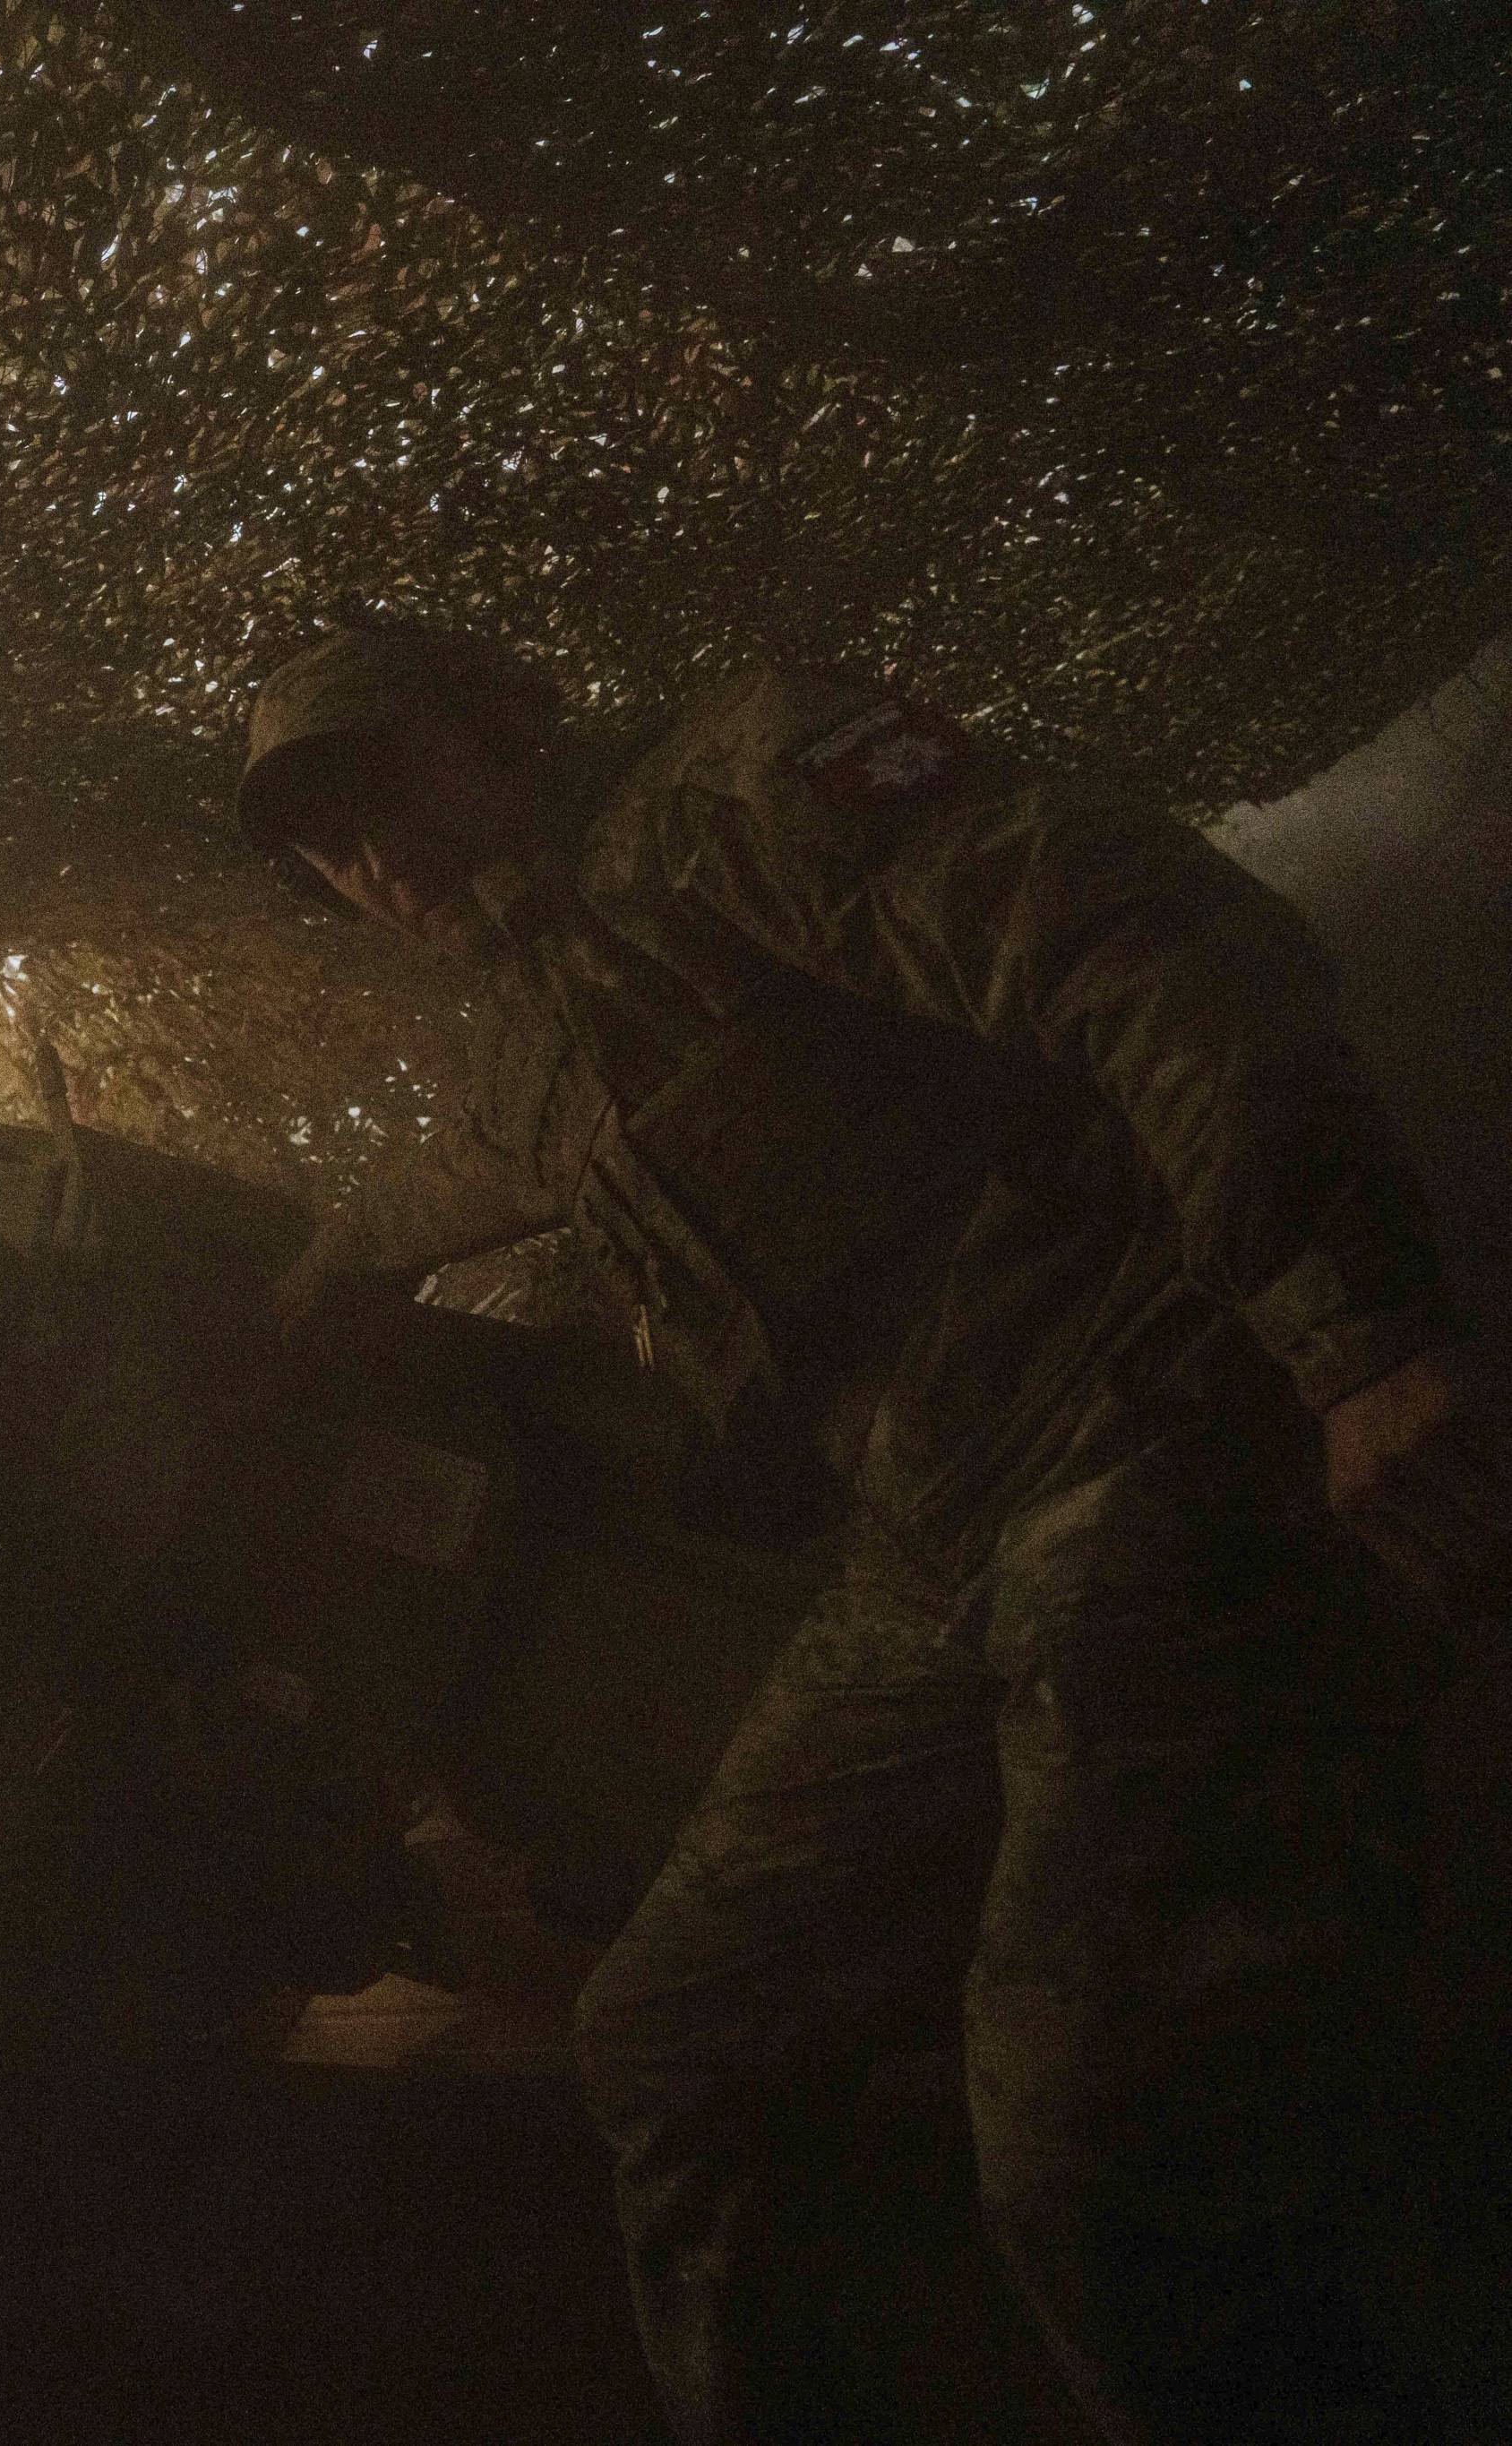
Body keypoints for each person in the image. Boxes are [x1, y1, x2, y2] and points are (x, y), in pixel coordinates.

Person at [243, 625, 1508, 2442]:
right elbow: (483, 1171)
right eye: (320, 845)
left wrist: (1350, 1331)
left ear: (501, 720)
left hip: (1142, 1415)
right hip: (937, 1537)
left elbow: (1140, 938)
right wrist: (313, 1269)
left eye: (383, 785)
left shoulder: (728, 801)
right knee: (670, 2045)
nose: (370, 855)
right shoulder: (543, 1025)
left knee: (1087, 2145)